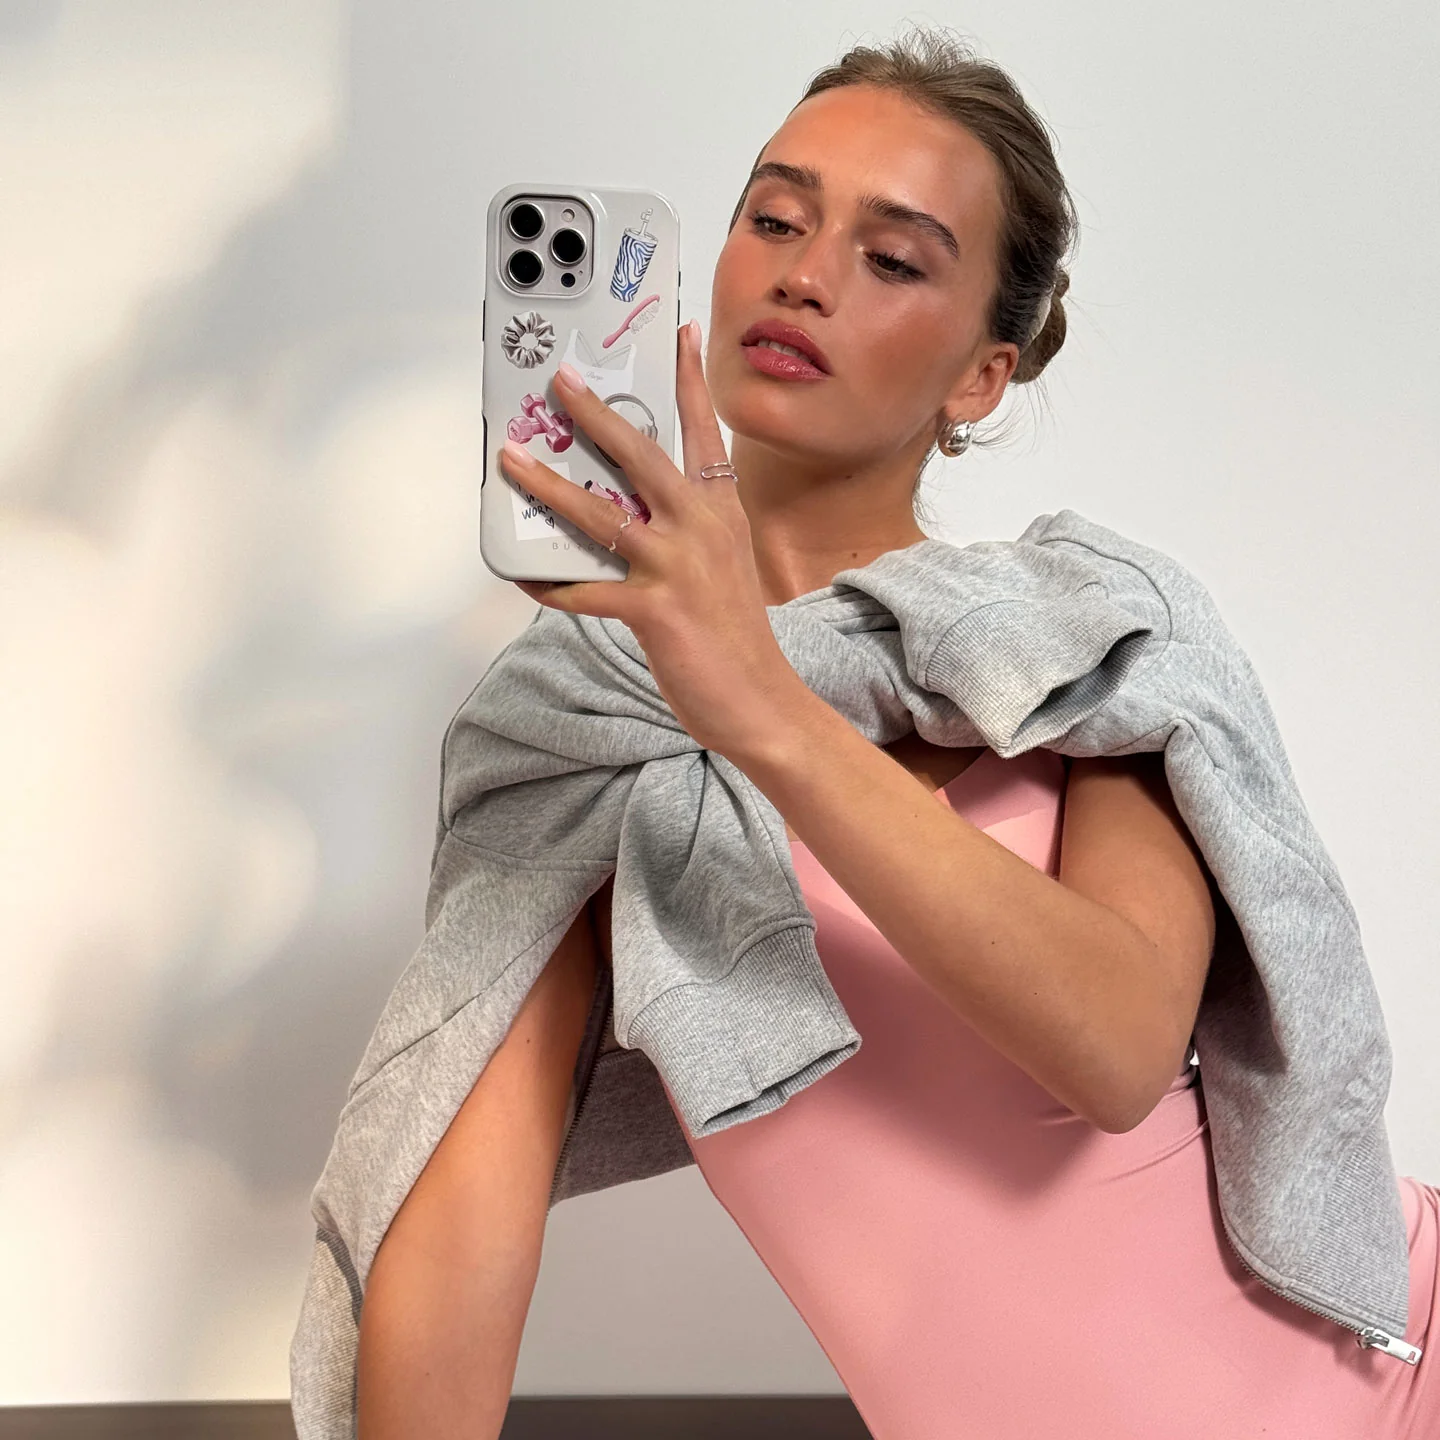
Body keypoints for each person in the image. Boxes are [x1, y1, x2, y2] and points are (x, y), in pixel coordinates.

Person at [354, 27, 1438, 1439]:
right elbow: (455, 1232)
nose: (805, 274)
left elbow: (1118, 1049)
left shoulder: (1072, 634)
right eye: (776, 219)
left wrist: (761, 708)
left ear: (980, 376)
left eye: (893, 257)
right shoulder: (589, 729)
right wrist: (707, 687)